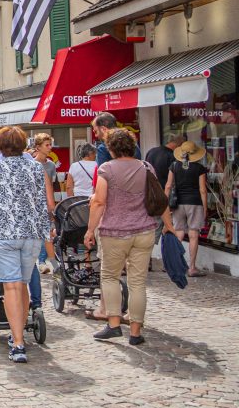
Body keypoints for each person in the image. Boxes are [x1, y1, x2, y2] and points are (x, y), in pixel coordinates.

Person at [84, 129, 173, 345]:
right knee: (138, 283)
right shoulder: (145, 167)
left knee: (110, 277)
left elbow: (99, 202)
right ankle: (135, 332)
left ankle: (114, 325)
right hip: (144, 231)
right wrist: (169, 226)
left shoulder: (107, 169)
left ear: (111, 148)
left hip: (115, 232)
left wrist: (89, 230)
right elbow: (159, 198)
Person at [0, 126, 52, 364]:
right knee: (22, 284)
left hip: (5, 232)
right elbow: (43, 201)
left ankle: (18, 342)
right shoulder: (36, 167)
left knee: (11, 287)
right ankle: (18, 335)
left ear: (0, 145)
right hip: (31, 233)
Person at [166, 141, 209, 277]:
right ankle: (191, 268)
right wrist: (205, 207)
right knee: (193, 235)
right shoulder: (199, 168)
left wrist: (165, 205)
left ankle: (174, 266)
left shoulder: (174, 166)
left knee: (178, 233)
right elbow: (203, 190)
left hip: (178, 203)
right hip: (195, 203)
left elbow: (168, 186)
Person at [29, 133, 60, 274]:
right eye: (46, 145)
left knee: (47, 233)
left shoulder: (51, 165)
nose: (50, 148)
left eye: (50, 144)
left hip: (46, 203)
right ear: (38, 147)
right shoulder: (31, 165)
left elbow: (52, 186)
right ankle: (38, 262)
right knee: (36, 235)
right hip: (33, 204)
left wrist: (53, 204)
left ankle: (49, 262)